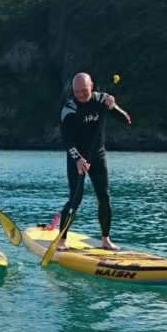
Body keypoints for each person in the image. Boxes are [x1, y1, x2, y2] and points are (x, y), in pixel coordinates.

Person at [56, 72, 131, 251]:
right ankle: (61, 240)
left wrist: (113, 108)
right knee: (75, 199)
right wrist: (78, 158)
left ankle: (105, 240)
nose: (81, 94)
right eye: (77, 91)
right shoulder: (69, 109)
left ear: (92, 86)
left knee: (104, 198)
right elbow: (67, 140)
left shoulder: (102, 101)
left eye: (84, 90)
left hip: (98, 156)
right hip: (77, 158)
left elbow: (126, 120)